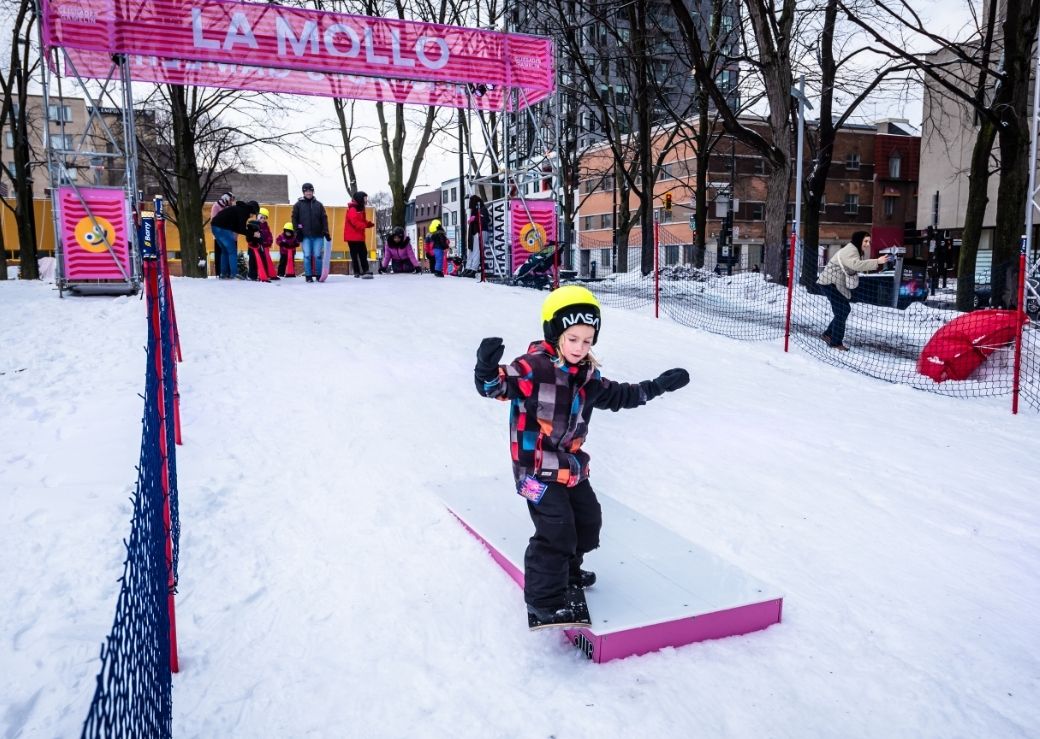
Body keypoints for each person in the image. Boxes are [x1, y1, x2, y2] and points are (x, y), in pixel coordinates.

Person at [472, 285, 690, 627]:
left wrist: (657, 386)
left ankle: (569, 570)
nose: (580, 347)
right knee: (556, 528)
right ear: (555, 333)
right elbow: (494, 387)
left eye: (588, 341)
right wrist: (485, 368)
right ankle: (544, 599)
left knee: (588, 523)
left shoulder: (588, 377)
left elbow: (620, 396)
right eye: (573, 339)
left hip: (569, 468)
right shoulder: (532, 369)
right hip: (532, 473)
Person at [816, 231, 890, 350]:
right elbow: (856, 265)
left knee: (843, 310)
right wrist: (877, 261)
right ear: (858, 240)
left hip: (833, 283)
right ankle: (835, 343)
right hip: (828, 283)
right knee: (842, 310)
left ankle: (828, 334)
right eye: (865, 241)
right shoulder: (851, 250)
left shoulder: (854, 249)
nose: (867, 244)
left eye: (869, 241)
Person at [211, 199, 260, 279]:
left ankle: (223, 274)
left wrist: (249, 233)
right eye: (253, 214)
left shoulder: (238, 209)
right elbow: (241, 229)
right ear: (252, 209)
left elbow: (236, 228)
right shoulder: (244, 212)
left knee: (225, 251)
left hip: (215, 227)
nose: (252, 216)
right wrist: (253, 234)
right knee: (232, 251)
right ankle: (234, 274)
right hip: (222, 228)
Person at [291, 182, 330, 283]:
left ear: (313, 192)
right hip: (305, 236)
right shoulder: (298, 205)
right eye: (306, 191)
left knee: (317, 255)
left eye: (310, 191)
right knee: (307, 255)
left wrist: (326, 231)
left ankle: (318, 274)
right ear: (303, 192)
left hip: (318, 235)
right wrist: (297, 232)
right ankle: (308, 276)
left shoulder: (319, 205)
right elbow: (294, 219)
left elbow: (324, 219)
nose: (308, 193)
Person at [343, 191, 375, 278]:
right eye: (365, 198)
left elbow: (362, 220)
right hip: (352, 236)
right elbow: (355, 222)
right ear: (360, 198)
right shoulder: (353, 209)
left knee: (363, 253)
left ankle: (365, 270)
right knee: (355, 254)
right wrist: (364, 225)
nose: (366, 200)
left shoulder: (361, 208)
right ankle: (357, 271)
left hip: (359, 236)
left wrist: (368, 224)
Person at [247, 207, 278, 281]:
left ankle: (265, 274)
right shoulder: (253, 225)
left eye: (264, 218)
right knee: (253, 261)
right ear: (257, 216)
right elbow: (250, 235)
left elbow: (269, 235)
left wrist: (268, 242)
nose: (263, 219)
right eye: (261, 217)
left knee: (264, 261)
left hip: (263, 247)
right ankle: (252, 275)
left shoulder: (266, 226)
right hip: (254, 247)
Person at [464, 194, 491, 278]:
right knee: (473, 250)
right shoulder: (478, 210)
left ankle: (473, 268)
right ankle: (469, 267)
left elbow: (486, 220)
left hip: (480, 231)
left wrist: (475, 219)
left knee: (476, 250)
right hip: (476, 232)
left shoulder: (482, 209)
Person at [208, 192, 234, 275]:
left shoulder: (229, 207)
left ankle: (227, 272)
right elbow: (214, 220)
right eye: (230, 200)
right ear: (226, 199)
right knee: (219, 254)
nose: (231, 202)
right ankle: (219, 273)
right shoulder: (216, 206)